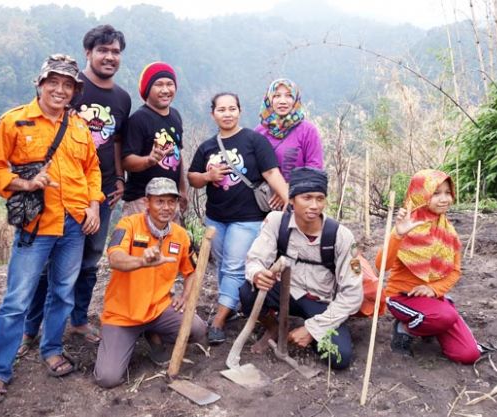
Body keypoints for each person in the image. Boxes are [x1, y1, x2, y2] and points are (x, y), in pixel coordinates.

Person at [0, 54, 103, 404]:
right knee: (17, 299)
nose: (60, 90)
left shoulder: (78, 127)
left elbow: (92, 169)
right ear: (40, 82)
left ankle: (51, 349)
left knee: (63, 290)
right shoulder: (15, 121)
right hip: (37, 223)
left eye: (68, 85)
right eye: (55, 82)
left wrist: (93, 204)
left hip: (75, 223)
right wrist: (22, 184)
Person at [18, 24, 131, 355]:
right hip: (58, 191)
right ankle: (30, 327)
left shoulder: (122, 98)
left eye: (115, 52)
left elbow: (117, 140)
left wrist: (120, 178)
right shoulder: (72, 88)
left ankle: (78, 319)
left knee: (90, 261)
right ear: (88, 53)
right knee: (44, 264)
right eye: (103, 50)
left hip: (102, 192)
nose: (109, 57)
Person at [187, 92, 289, 344]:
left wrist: (289, 199)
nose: (227, 114)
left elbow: (271, 172)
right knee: (223, 263)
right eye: (221, 109)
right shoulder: (207, 146)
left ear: (240, 111)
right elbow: (192, 177)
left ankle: (219, 320)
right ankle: (230, 306)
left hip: (247, 217)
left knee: (234, 265)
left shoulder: (254, 141)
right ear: (213, 114)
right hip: (216, 216)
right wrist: (208, 177)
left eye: (232, 108)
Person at [240, 167, 362, 369]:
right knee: (247, 292)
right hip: (285, 291)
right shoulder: (276, 222)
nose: (315, 205)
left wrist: (313, 329)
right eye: (307, 197)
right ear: (292, 199)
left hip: (320, 301)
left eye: (320, 198)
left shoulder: (341, 236)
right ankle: (273, 327)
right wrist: (257, 274)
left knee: (339, 357)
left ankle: (308, 333)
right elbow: (255, 259)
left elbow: (352, 295)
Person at [93, 177, 207, 388]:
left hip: (158, 309)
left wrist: (185, 296)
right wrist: (141, 261)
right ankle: (120, 338)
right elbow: (114, 258)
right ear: (147, 202)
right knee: (107, 378)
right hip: (122, 314)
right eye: (160, 201)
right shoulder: (128, 224)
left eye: (171, 202)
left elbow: (191, 272)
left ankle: (152, 332)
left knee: (197, 329)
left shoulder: (180, 235)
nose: (166, 208)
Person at [380, 169, 480, 364]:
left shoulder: (448, 230)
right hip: (401, 297)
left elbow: (455, 271)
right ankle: (405, 328)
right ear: (421, 194)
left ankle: (431, 321)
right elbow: (381, 265)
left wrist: (433, 289)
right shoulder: (407, 224)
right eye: (436, 193)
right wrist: (398, 235)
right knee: (445, 316)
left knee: (469, 354)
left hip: (433, 299)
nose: (444, 199)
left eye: (447, 192)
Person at [121, 62, 187, 219]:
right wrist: (148, 161)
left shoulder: (175, 116)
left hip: (170, 200)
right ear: (147, 89)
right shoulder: (138, 119)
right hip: (141, 200)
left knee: (170, 243)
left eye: (170, 84)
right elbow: (126, 160)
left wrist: (182, 190)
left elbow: (178, 155)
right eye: (159, 84)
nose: (165, 90)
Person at [255, 79, 324, 182]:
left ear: (296, 100)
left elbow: (314, 167)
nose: (282, 101)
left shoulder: (308, 130)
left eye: (288, 96)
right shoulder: (259, 132)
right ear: (269, 100)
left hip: (298, 194)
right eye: (277, 96)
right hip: (266, 196)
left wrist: (289, 189)